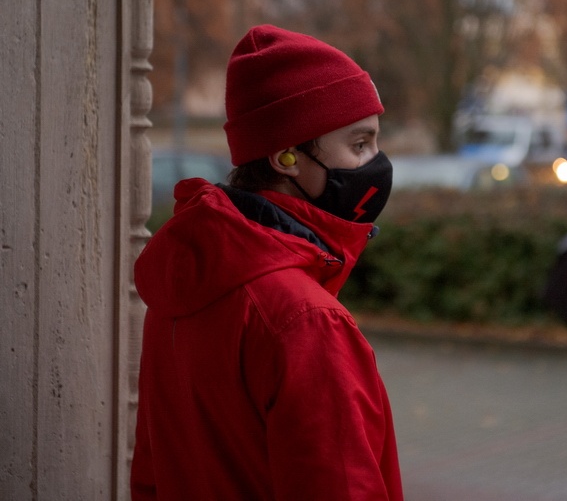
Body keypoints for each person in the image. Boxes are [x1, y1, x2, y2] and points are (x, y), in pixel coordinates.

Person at [130, 25, 404, 500]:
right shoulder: (305, 320)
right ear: (286, 157)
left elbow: (153, 474)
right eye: (359, 145)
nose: (377, 164)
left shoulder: (180, 289)